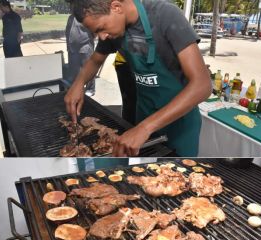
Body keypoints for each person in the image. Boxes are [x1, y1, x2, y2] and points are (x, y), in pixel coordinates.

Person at [64, 0, 212, 157]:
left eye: (100, 29)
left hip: (179, 124)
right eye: (96, 33)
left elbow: (202, 85)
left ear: (116, 7)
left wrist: (144, 128)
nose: (102, 36)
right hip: (144, 115)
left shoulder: (165, 15)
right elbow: (95, 60)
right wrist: (78, 84)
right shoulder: (113, 30)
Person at [65, 14, 96, 96]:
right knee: (74, 70)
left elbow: (94, 31)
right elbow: (67, 31)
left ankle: (90, 89)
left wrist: (88, 41)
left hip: (85, 47)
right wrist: (68, 46)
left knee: (88, 68)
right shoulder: (71, 17)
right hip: (72, 48)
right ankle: (75, 88)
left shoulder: (87, 16)